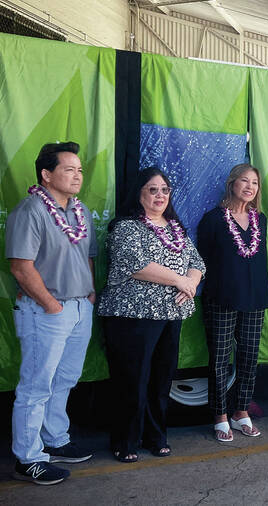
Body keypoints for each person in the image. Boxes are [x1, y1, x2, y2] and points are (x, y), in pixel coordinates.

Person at [98, 167, 205, 462]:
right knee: (132, 380)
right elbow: (136, 264)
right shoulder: (126, 227)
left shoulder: (175, 228)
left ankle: (156, 436)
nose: (160, 196)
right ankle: (125, 441)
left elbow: (197, 262)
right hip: (132, 317)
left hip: (170, 315)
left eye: (164, 190)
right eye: (153, 190)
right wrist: (180, 280)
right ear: (139, 193)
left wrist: (191, 282)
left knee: (161, 380)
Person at [6, 142, 97, 485]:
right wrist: (50, 305)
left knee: (65, 379)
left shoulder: (80, 210)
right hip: (46, 311)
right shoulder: (30, 211)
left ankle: (55, 439)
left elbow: (88, 254)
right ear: (46, 175)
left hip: (78, 307)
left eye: (79, 169)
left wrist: (87, 294)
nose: (77, 176)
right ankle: (28, 458)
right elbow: (20, 266)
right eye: (69, 169)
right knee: (36, 386)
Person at [197, 164, 268, 442]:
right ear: (232, 183)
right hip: (221, 297)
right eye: (245, 180)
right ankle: (219, 415)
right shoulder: (213, 219)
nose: (250, 187)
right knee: (219, 359)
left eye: (254, 182)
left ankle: (241, 411)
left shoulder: (260, 219)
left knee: (249, 358)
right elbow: (203, 259)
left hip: (255, 297)